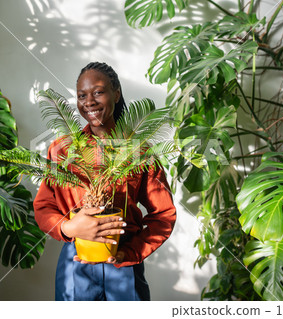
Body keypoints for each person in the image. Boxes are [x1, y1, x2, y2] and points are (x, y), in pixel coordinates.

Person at [33, 62, 176, 301]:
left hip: (123, 264)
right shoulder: (62, 150)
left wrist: (131, 252)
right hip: (76, 261)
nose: (89, 101)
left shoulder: (138, 151)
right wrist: (68, 228)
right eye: (82, 95)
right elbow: (44, 206)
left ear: (116, 93)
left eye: (98, 92)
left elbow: (163, 214)